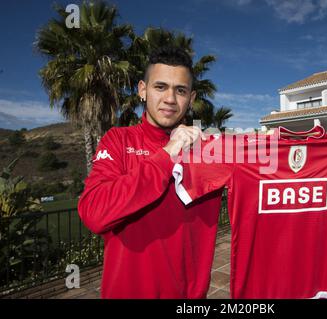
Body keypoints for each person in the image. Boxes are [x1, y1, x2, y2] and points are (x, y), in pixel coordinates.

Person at [78, 47, 223, 299]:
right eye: (160, 87)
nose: (170, 98)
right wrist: (167, 154)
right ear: (142, 90)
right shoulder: (117, 141)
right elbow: (94, 213)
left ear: (191, 97)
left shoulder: (212, 152)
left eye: (180, 90)